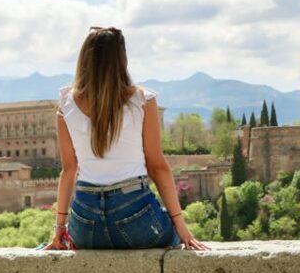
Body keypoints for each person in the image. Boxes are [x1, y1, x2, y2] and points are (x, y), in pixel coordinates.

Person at [44, 27, 210, 251]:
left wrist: (59, 231)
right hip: (135, 216)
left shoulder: (66, 103)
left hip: (85, 223)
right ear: (122, 60)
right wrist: (181, 226)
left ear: (84, 59)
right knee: (171, 240)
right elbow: (157, 166)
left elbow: (69, 170)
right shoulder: (142, 100)